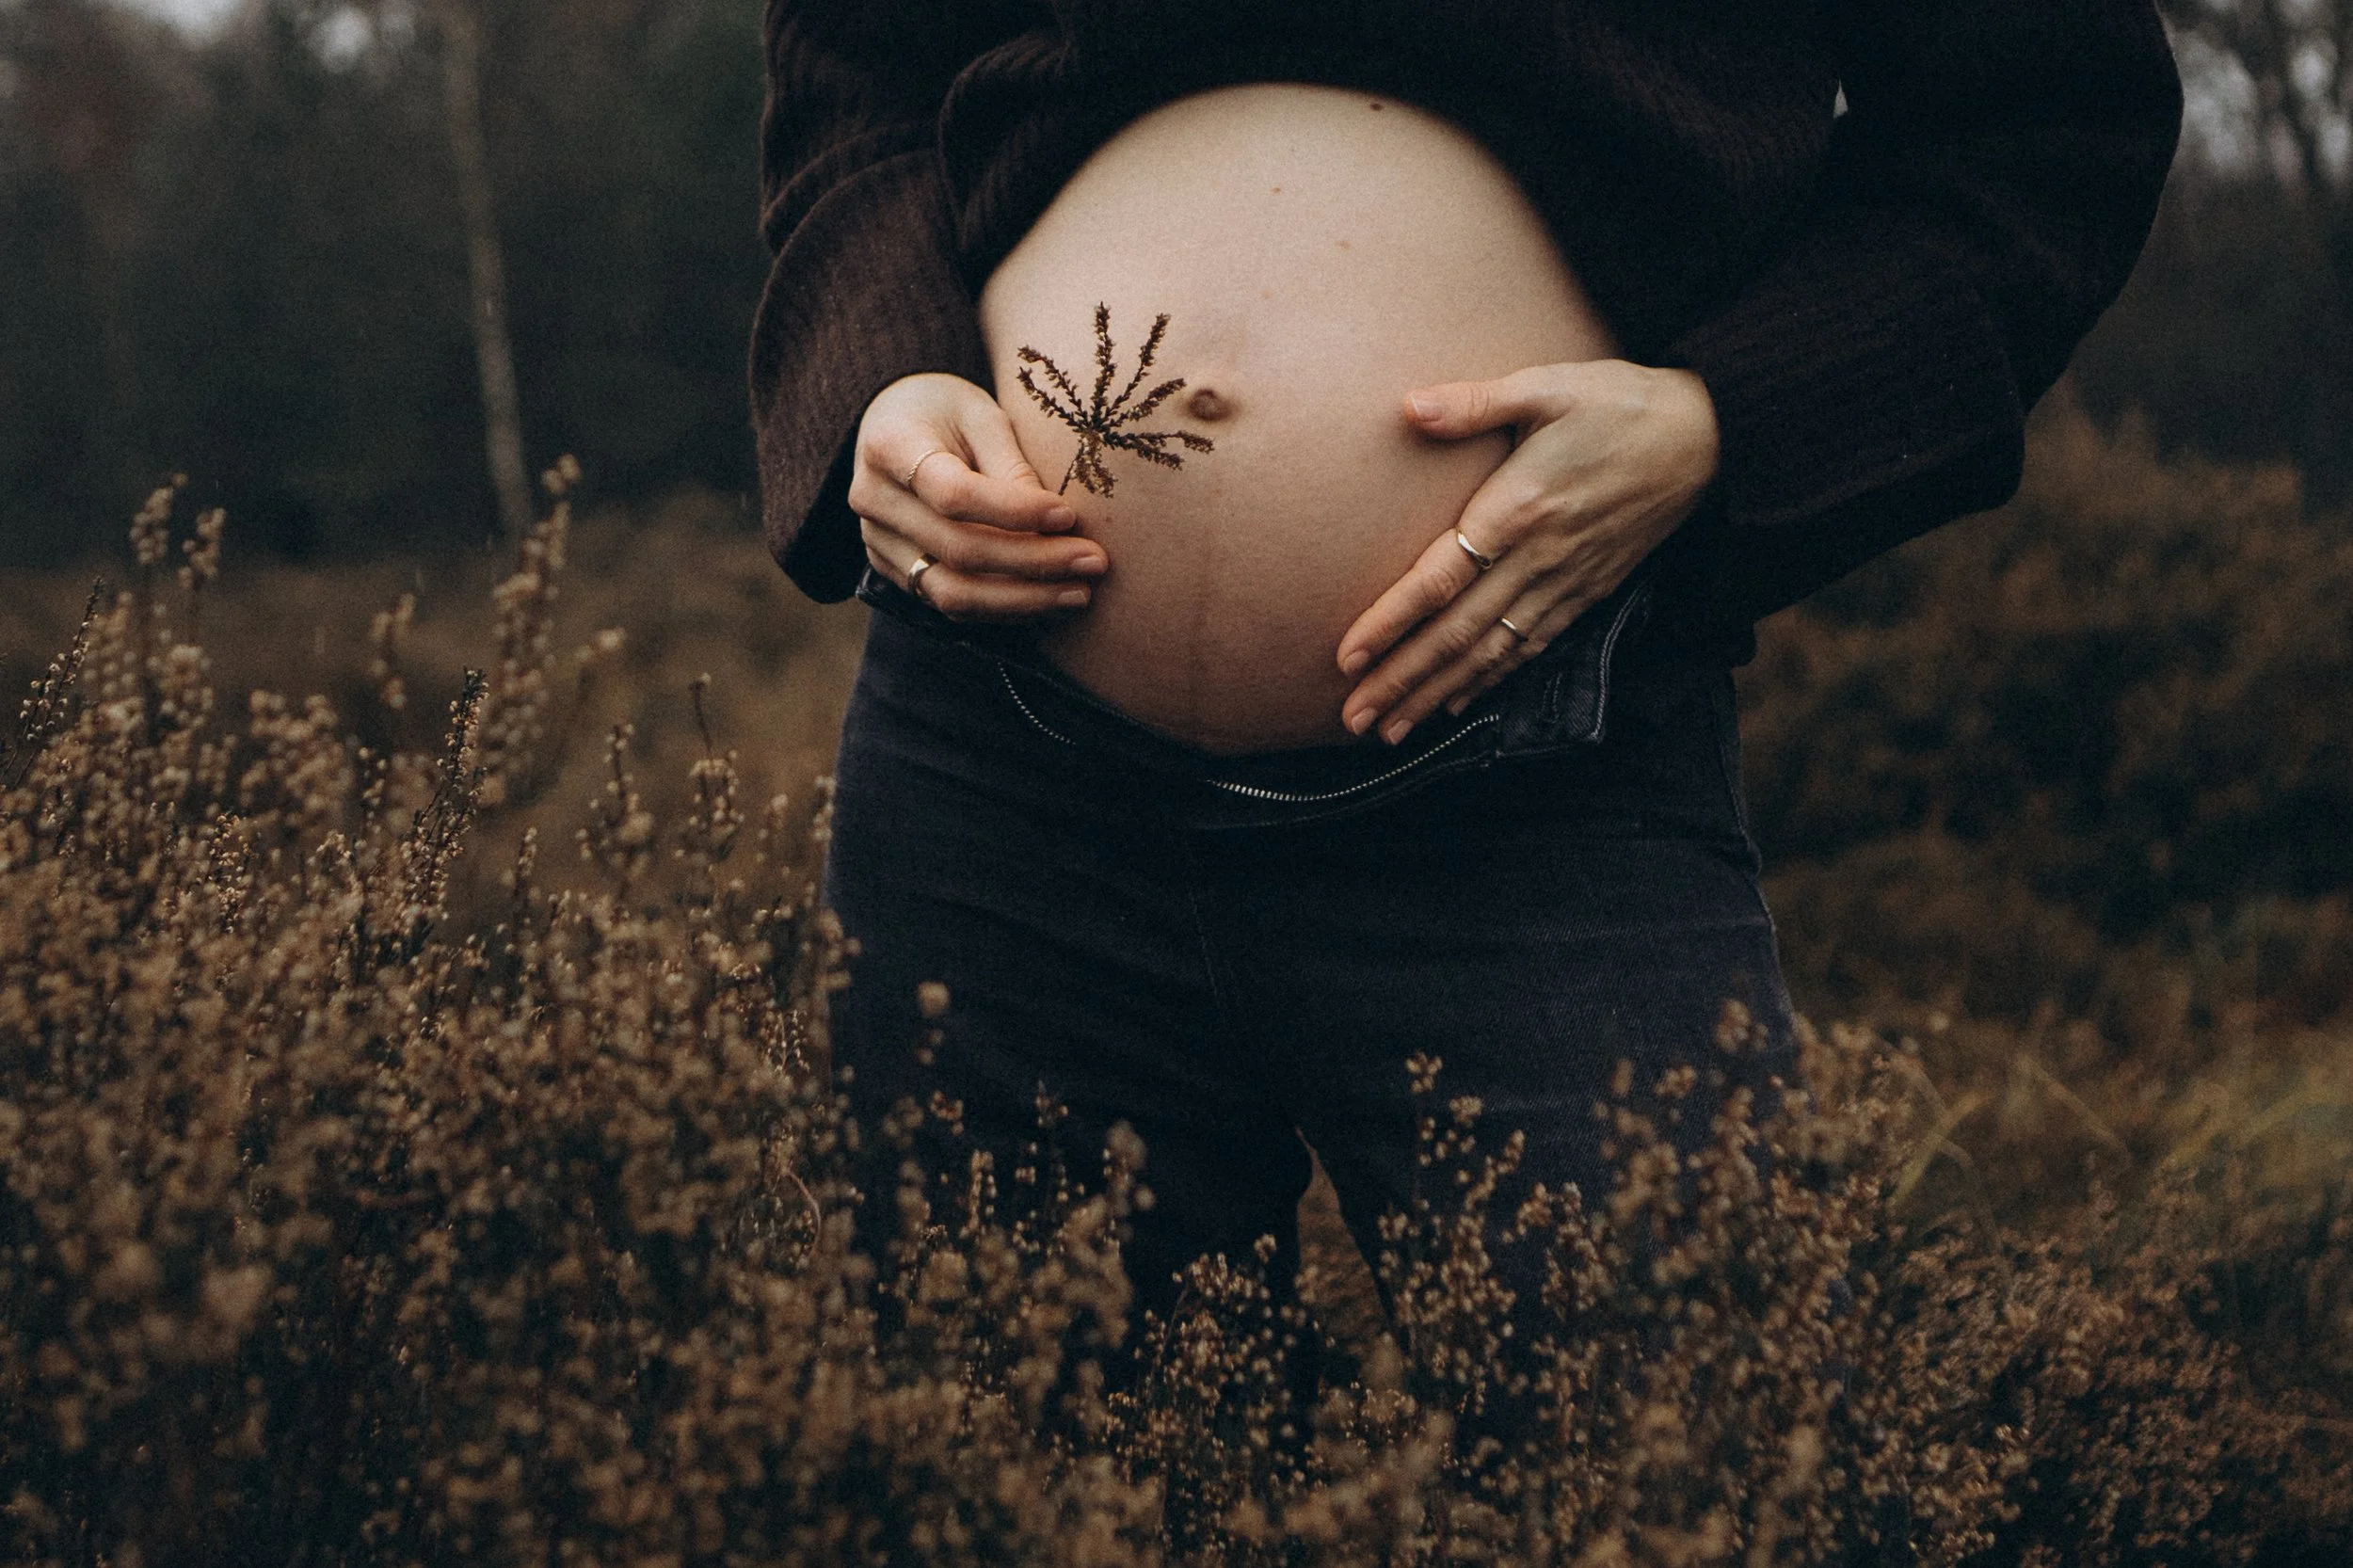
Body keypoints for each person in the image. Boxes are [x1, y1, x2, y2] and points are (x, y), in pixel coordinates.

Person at [750, 4, 2182, 1389]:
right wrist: (884, 375)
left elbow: (2047, 128)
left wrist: (1727, 418)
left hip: (1540, 782)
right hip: (997, 782)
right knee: (1012, 1461)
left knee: (1699, 1459)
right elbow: (855, 65)